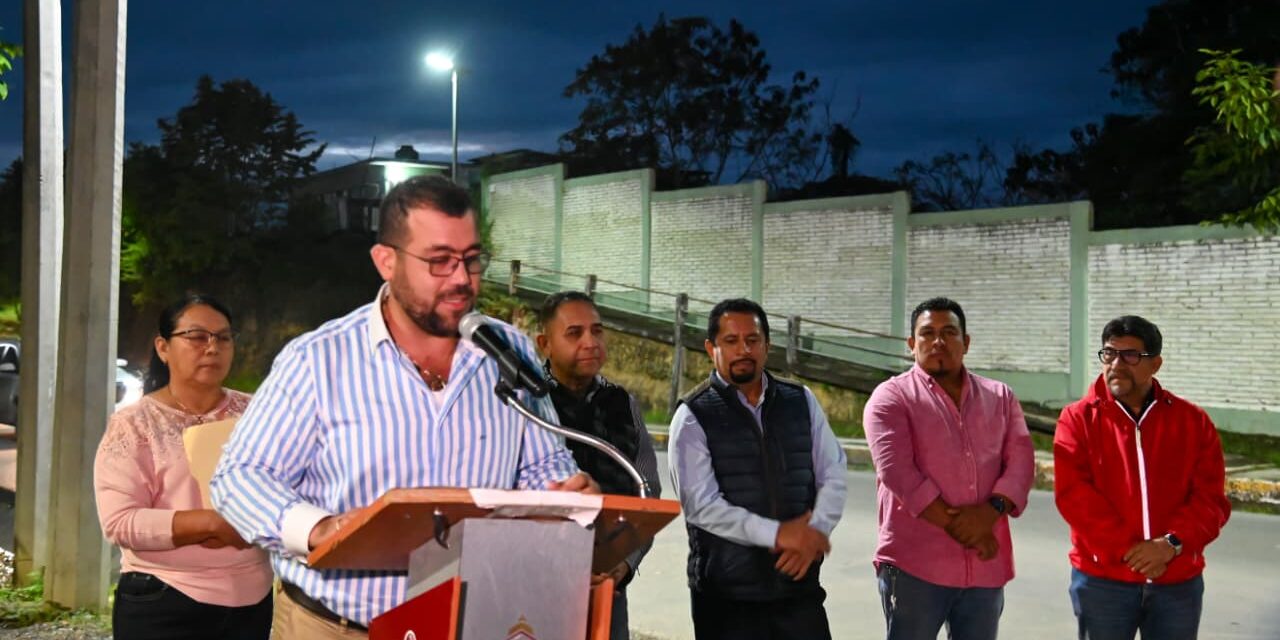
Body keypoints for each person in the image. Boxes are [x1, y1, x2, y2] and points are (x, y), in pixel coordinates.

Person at [210, 175, 593, 639]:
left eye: (472, 260)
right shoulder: (318, 359)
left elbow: (542, 462)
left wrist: (565, 493)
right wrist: (318, 528)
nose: (461, 279)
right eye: (439, 261)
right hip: (340, 627)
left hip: (469, 621)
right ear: (386, 261)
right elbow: (240, 476)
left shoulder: (506, 350)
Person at [668, 298, 847, 640]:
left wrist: (813, 534)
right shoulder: (692, 416)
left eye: (752, 340)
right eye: (731, 341)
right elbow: (702, 506)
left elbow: (833, 473)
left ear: (767, 345)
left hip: (799, 591)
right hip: (727, 600)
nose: (743, 350)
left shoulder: (800, 400)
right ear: (711, 348)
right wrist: (779, 535)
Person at [94, 294, 271, 640]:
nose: (212, 347)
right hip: (165, 599)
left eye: (223, 337)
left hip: (252, 599)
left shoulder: (258, 414)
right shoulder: (134, 424)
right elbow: (119, 522)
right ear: (163, 347)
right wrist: (209, 524)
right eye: (197, 336)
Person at [862, 297, 1035, 640]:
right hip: (915, 567)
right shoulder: (890, 398)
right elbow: (900, 474)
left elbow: (1021, 461)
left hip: (985, 567)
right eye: (927, 333)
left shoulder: (1000, 397)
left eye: (949, 332)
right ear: (912, 344)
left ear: (966, 342)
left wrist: (990, 513)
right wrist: (967, 529)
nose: (938, 341)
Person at [1054, 315, 1230, 640]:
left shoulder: (1192, 422)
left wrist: (1170, 545)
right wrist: (1132, 551)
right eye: (1109, 354)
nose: (1116, 364)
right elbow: (1074, 496)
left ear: (1155, 364)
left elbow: (1211, 500)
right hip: (1103, 582)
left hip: (1177, 583)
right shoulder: (1077, 420)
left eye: (1130, 355)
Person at [535, 290, 662, 640]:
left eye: (597, 331)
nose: (591, 342)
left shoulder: (622, 404)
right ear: (544, 343)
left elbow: (647, 492)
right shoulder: (527, 404)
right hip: (535, 587)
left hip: (609, 585)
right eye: (575, 333)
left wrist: (623, 563)